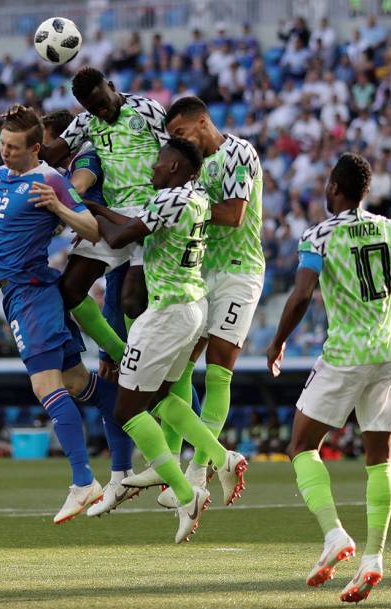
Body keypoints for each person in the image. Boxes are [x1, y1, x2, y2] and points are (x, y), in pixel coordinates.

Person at [0, 106, 125, 524]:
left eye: (13, 147)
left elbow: (90, 229)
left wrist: (59, 206)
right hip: (15, 295)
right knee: (82, 386)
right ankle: (134, 438)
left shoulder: (48, 180)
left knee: (46, 388)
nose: (5, 153)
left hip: (33, 295)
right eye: (2, 145)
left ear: (35, 148)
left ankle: (84, 481)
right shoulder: (1, 177)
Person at [265, 153, 391, 603]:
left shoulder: (320, 234)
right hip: (388, 356)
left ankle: (333, 535)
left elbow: (303, 293)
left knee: (301, 445)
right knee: (378, 459)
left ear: (334, 189)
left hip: (345, 357)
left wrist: (278, 340)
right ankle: (372, 558)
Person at [91, 139, 248, 544]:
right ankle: (221, 456)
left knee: (128, 409)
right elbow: (127, 224)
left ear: (176, 166)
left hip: (164, 315)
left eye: (159, 164)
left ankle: (184, 493)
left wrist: (78, 208)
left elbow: (119, 237)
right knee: (161, 399)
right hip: (191, 307)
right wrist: (97, 210)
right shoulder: (193, 198)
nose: (152, 170)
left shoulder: (170, 199)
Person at [148, 96, 265, 504]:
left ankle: (201, 467)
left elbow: (234, 214)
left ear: (202, 122)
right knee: (179, 366)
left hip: (238, 272)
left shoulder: (239, 152)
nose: (177, 140)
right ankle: (168, 465)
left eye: (180, 132)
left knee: (218, 368)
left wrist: (186, 209)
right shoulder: (195, 168)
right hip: (198, 274)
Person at [41, 109, 137, 516]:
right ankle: (120, 476)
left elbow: (78, 186)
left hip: (114, 242)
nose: (42, 150)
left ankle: (195, 462)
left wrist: (50, 201)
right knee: (110, 379)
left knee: (69, 291)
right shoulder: (63, 162)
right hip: (108, 251)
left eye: (45, 141)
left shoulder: (85, 156)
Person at [40, 66, 169, 364]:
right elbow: (49, 154)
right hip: (112, 218)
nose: (101, 111)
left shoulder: (146, 108)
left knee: (131, 302)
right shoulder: (87, 122)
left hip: (151, 215)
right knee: (68, 291)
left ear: (111, 86)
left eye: (103, 102)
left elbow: (172, 156)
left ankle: (142, 367)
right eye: (92, 108)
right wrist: (23, 127)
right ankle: (122, 356)